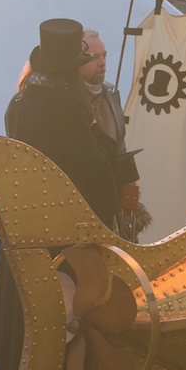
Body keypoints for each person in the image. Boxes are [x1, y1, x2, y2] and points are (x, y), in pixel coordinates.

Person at [0, 18, 121, 370]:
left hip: (26, 223)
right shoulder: (65, 105)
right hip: (63, 228)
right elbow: (89, 165)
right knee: (67, 306)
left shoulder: (19, 103)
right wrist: (105, 145)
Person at [78, 29, 148, 240]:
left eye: (104, 55)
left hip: (114, 197)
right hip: (85, 201)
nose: (102, 62)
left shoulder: (110, 95)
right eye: (93, 57)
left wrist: (131, 204)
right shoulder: (69, 101)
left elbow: (120, 151)